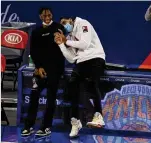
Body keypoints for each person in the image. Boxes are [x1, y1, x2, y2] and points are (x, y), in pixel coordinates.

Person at [54, 17, 106, 138]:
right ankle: (75, 122)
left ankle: (98, 115)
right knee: (72, 88)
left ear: (71, 20)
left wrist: (66, 41)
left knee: (91, 83)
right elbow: (71, 58)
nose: (64, 25)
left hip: (95, 58)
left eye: (64, 22)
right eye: (62, 24)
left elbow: (85, 44)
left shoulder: (83, 24)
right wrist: (61, 44)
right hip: (81, 62)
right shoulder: (70, 36)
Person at [21, 7, 66, 137]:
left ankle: (46, 127)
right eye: (44, 15)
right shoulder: (36, 32)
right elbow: (33, 52)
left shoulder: (58, 28)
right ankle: (28, 126)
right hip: (40, 70)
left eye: (49, 14)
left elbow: (61, 49)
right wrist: (39, 67)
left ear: (52, 14)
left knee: (51, 98)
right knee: (34, 96)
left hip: (55, 70)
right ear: (40, 16)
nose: (47, 17)